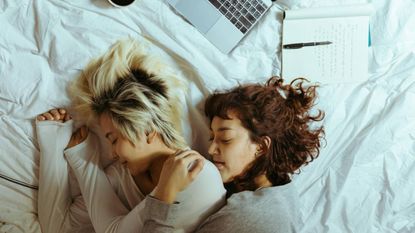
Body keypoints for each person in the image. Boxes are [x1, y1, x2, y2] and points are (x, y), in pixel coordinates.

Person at [36, 38, 226, 233]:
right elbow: (56, 227)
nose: (112, 154)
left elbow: (113, 231)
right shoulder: (121, 176)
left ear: (146, 130)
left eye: (114, 139)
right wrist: (52, 146)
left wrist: (84, 162)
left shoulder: (198, 174)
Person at [139, 77, 325, 233]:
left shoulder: (249, 216)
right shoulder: (283, 191)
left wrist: (165, 192)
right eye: (212, 138)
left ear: (261, 146)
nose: (211, 150)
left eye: (225, 139)